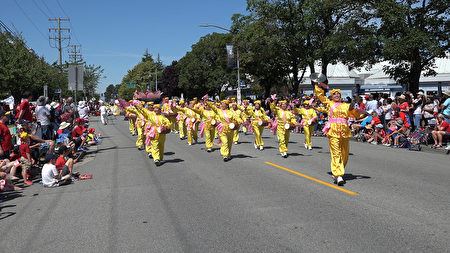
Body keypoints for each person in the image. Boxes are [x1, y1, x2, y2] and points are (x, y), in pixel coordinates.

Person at [314, 77, 361, 186]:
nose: (336, 96)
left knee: (345, 154)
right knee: (336, 153)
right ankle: (338, 175)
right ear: (331, 96)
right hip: (333, 131)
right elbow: (320, 96)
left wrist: (356, 106)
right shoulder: (329, 103)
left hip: (344, 131)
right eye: (334, 94)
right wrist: (319, 85)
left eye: (338, 94)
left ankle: (338, 172)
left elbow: (354, 113)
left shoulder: (346, 105)